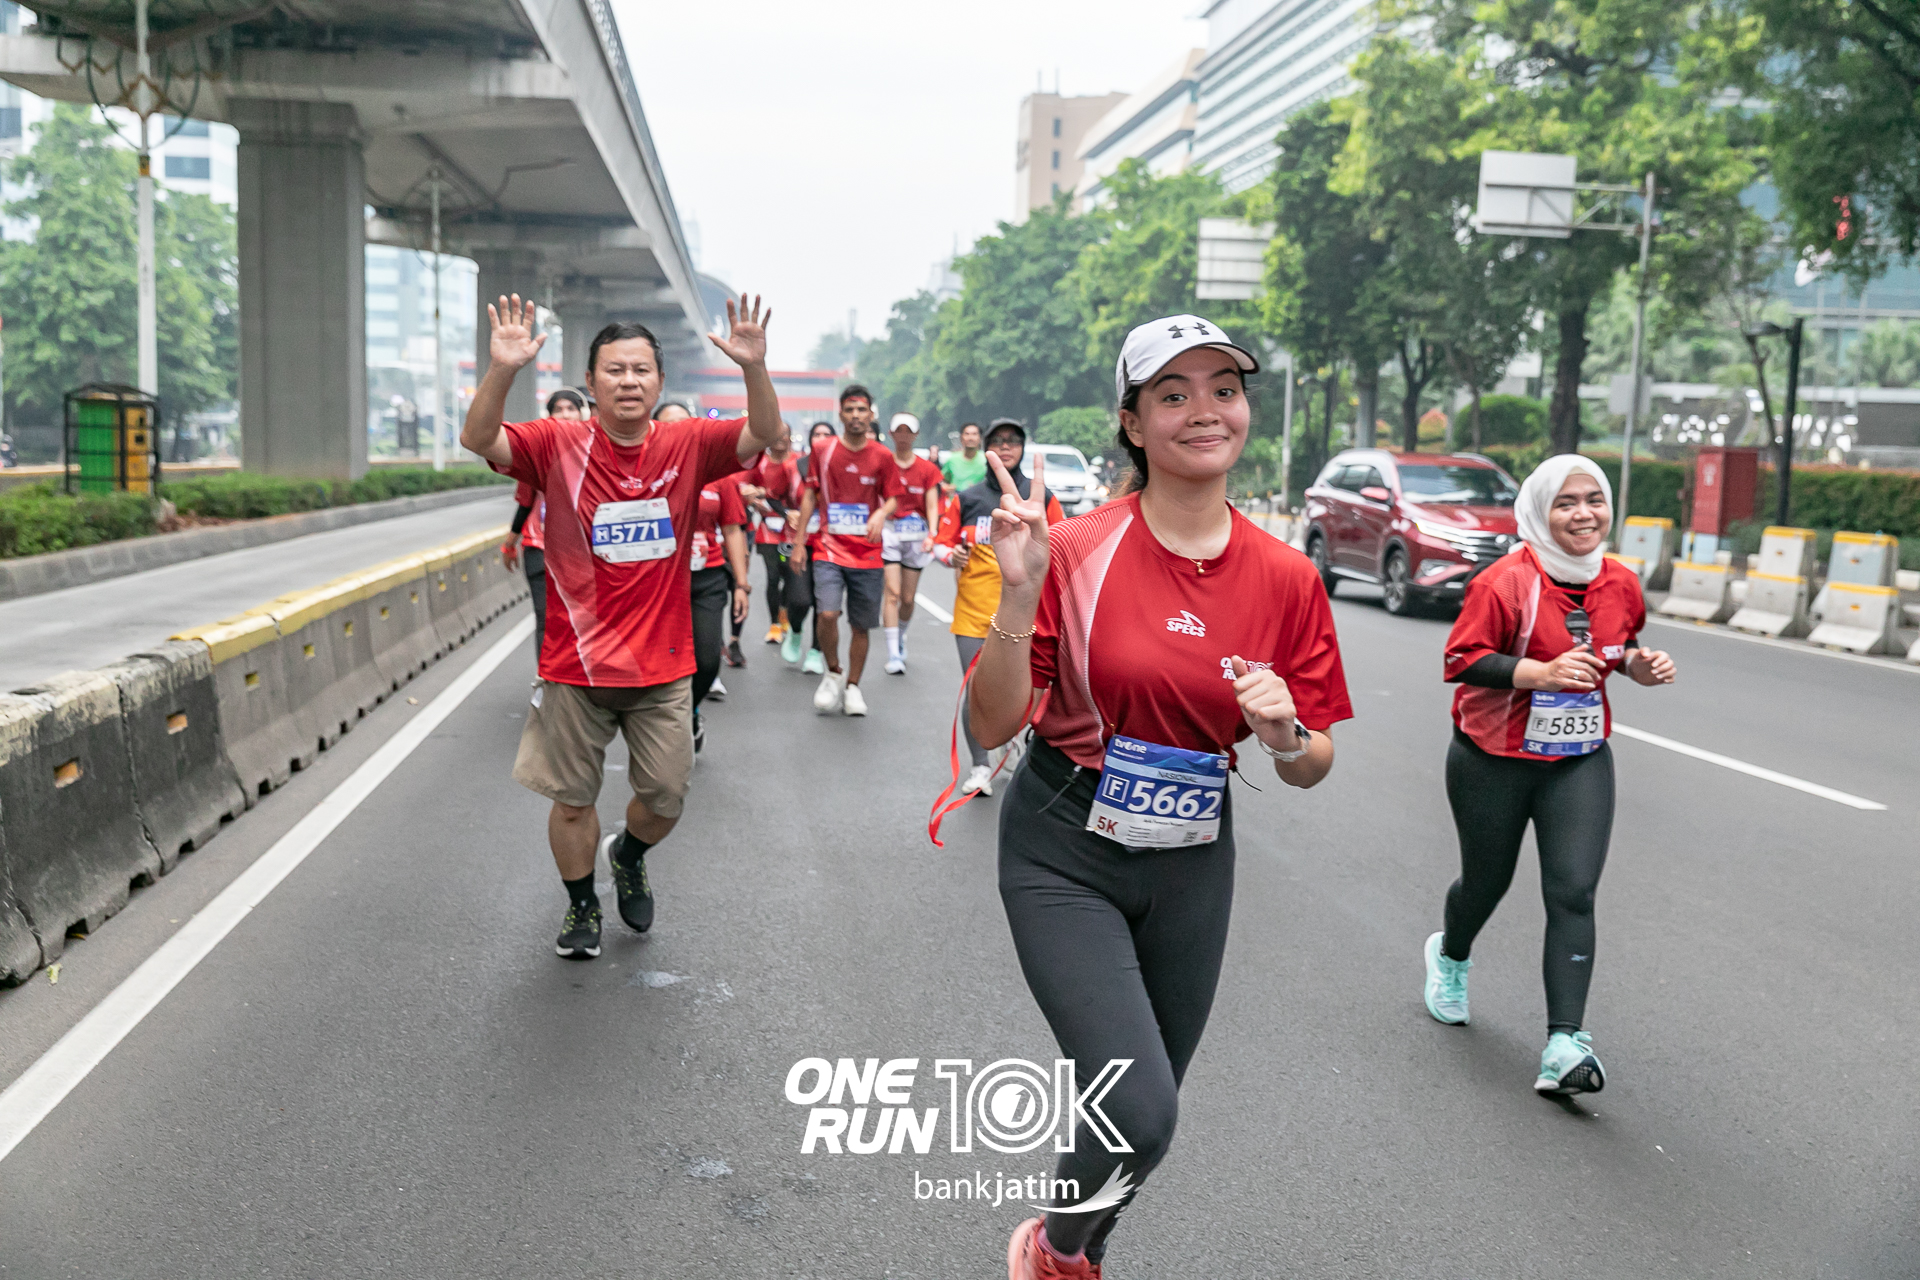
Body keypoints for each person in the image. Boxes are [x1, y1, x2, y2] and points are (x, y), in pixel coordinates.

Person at [967, 316, 1350, 1279]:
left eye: (1224, 389)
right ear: (1134, 424)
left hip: (1192, 857)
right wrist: (1018, 596)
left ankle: (1071, 1249)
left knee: (1140, 1119)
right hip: (1065, 842)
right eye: (1173, 395)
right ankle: (1055, 1256)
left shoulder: (1287, 576)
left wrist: (1284, 735)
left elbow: (1314, 760)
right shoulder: (1074, 548)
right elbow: (990, 725)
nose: (1204, 412)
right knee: (1138, 1109)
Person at [460, 292, 783, 960]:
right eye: (614, 369)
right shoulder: (556, 444)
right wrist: (503, 370)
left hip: (662, 665)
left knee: (665, 799)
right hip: (574, 664)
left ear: (659, 382)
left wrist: (754, 366)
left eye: (641, 370)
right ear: (591, 380)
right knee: (572, 801)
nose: (628, 381)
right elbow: (479, 439)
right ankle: (582, 905)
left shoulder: (688, 444)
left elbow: (761, 433)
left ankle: (629, 855)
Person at [1421, 454, 1676, 1096]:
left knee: (1573, 892)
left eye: (1594, 500)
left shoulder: (1621, 582)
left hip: (1579, 757)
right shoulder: (1505, 584)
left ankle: (1565, 1044)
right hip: (1491, 756)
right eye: (1566, 503)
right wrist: (1541, 673)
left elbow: (1618, 648)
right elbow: (1461, 659)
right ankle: (1450, 954)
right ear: (1539, 511)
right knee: (1487, 881)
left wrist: (1639, 667)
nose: (1584, 514)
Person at [933, 419, 1064, 797]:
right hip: (973, 612)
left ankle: (1012, 741)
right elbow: (940, 543)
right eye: (999, 441)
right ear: (987, 447)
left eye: (1013, 441)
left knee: (1026, 689)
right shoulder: (968, 498)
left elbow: (1063, 546)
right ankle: (979, 765)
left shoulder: (1041, 498)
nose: (1006, 447)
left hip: (1027, 615)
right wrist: (952, 555)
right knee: (976, 689)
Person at [791, 386, 899, 715]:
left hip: (868, 553)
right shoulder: (822, 450)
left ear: (871, 415)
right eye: (849, 410)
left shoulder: (882, 456)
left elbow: (893, 498)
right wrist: (799, 542)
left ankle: (853, 686)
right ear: (840, 414)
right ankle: (834, 671)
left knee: (860, 626)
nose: (855, 416)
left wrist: (881, 513)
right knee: (827, 613)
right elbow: (810, 495)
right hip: (829, 548)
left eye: (861, 410)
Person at [502, 388, 590, 655]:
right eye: (558, 409)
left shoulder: (598, 451)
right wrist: (510, 543)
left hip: (584, 553)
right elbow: (525, 502)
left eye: (571, 409)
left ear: (583, 414)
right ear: (548, 416)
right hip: (539, 548)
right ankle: (545, 675)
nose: (565, 415)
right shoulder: (536, 453)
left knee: (583, 620)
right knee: (546, 618)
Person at [880, 412, 943, 675]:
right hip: (889, 532)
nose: (903, 436)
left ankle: (901, 635)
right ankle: (893, 654)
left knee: (907, 598)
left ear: (916, 435)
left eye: (908, 431)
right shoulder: (883, 464)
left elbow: (932, 504)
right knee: (892, 593)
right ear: (891, 434)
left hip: (916, 535)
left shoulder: (927, 469)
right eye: (899, 431)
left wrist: (933, 533)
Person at [780, 420, 838, 675]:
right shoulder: (792, 467)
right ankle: (795, 631)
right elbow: (773, 495)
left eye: (827, 434)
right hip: (797, 542)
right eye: (817, 434)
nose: (821, 438)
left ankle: (815, 651)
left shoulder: (841, 467)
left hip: (831, 544)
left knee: (823, 604)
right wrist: (786, 513)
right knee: (800, 599)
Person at [742, 429, 799, 645]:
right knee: (773, 576)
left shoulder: (798, 462)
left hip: (793, 528)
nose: (780, 439)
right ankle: (774, 624)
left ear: (790, 437)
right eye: (776, 434)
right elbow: (745, 487)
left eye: (784, 435)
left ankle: (784, 612)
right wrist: (755, 500)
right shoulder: (760, 463)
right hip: (769, 529)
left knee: (790, 575)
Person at [941, 422, 987, 494]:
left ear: (980, 438)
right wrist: (946, 487)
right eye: (967, 434)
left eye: (974, 434)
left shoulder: (986, 459)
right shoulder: (952, 459)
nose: (970, 438)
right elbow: (941, 481)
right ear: (961, 438)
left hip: (979, 499)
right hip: (956, 498)